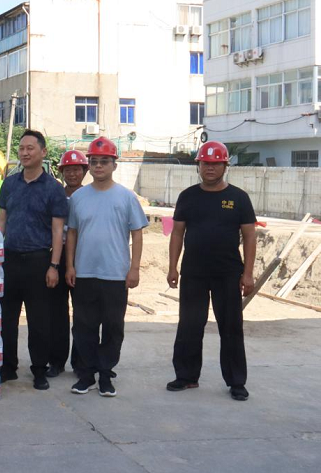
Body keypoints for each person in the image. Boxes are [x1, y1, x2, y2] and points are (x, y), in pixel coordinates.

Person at [166, 141, 256, 402]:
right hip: (193, 272)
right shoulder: (188, 196)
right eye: (205, 163)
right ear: (199, 166)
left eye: (216, 163)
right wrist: (173, 266)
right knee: (190, 325)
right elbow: (178, 233)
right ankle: (186, 376)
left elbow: (250, 237)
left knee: (231, 327)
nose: (210, 167)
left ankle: (236, 381)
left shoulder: (239, 198)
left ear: (225, 166)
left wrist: (247, 273)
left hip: (228, 273)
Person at [65, 137, 147, 397]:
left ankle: (105, 375)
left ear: (114, 164)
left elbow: (137, 234)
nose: (99, 166)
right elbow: (73, 234)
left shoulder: (126, 197)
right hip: (85, 272)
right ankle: (87, 374)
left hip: (115, 274)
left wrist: (134, 269)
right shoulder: (78, 197)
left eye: (104, 161)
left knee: (113, 328)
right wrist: (70, 266)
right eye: (94, 161)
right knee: (84, 326)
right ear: (89, 165)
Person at [0, 129, 68, 390]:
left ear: (43, 152)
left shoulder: (53, 189)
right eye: (21, 148)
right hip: (10, 261)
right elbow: (1, 221)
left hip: (39, 261)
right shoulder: (10, 183)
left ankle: (39, 370)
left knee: (39, 321)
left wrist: (54, 266)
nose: (24, 153)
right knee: (6, 319)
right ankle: (7, 367)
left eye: (30, 148)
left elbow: (58, 230)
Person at [49, 149, 89, 377]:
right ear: (62, 172)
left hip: (83, 259)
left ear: (85, 171)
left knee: (83, 315)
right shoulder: (55, 195)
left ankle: (82, 362)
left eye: (77, 169)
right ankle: (56, 361)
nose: (72, 174)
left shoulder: (91, 195)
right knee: (57, 314)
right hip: (57, 258)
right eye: (68, 169)